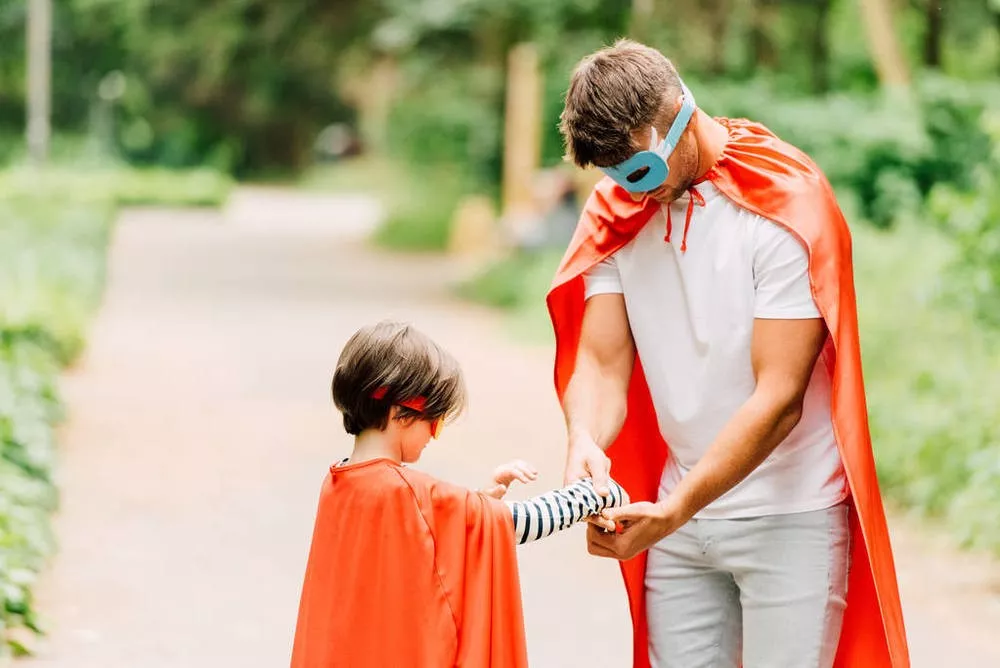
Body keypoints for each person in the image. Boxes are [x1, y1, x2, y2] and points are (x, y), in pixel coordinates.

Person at [547, 39, 909, 668]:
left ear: (678, 115)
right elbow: (603, 362)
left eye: (639, 171)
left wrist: (675, 509)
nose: (632, 192)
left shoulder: (783, 205)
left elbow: (779, 399)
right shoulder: (620, 210)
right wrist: (586, 440)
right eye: (613, 178)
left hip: (788, 515)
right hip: (678, 517)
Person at [290, 320, 628, 668]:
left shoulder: (338, 484)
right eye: (434, 423)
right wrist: (594, 494)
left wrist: (479, 507)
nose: (432, 436)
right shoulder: (405, 492)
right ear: (400, 413)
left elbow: (423, 553)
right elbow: (520, 522)